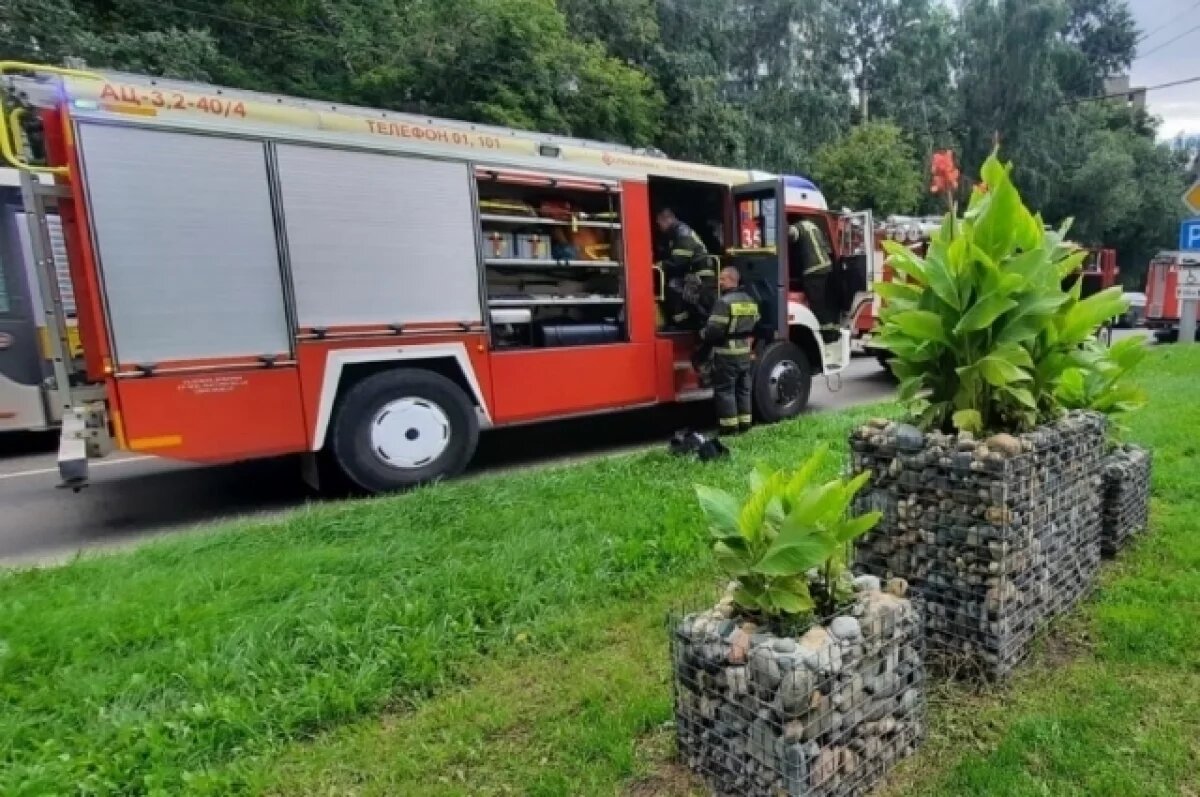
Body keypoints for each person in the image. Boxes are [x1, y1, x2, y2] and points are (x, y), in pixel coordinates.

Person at [699, 266, 760, 435]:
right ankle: (745, 424)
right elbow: (756, 323)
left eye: (722, 279)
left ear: (732, 280)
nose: (719, 282)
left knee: (725, 390)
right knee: (743, 389)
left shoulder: (723, 302)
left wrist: (702, 333)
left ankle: (729, 428)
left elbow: (714, 330)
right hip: (744, 351)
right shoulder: (750, 300)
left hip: (726, 353)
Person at [656, 207, 717, 328]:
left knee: (674, 287)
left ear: (667, 220)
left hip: (700, 276)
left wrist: (661, 265)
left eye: (659, 223)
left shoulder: (682, 233)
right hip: (693, 273)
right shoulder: (675, 233)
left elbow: (679, 260)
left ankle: (686, 324)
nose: (659, 227)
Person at [789, 217, 841, 343]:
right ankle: (833, 330)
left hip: (813, 270)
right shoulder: (812, 225)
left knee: (817, 303)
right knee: (826, 301)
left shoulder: (796, 227)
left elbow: (790, 235)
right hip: (826, 266)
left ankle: (827, 335)